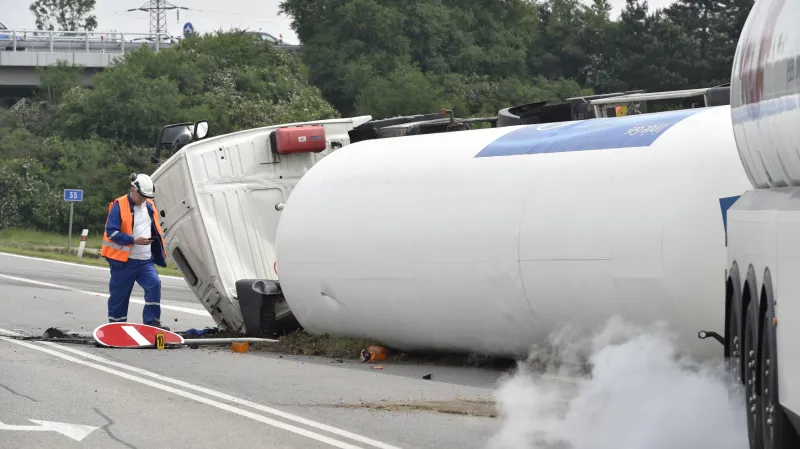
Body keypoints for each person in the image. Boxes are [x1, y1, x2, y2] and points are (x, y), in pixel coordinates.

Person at [101, 173, 170, 330]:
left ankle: (151, 322)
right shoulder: (119, 205)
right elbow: (111, 232)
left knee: (154, 284)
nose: (145, 199)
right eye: (142, 195)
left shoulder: (150, 206)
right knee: (120, 296)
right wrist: (133, 240)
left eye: (148, 196)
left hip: (145, 260)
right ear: (133, 190)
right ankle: (116, 326)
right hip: (124, 262)